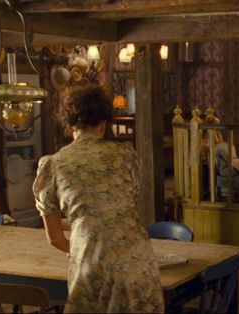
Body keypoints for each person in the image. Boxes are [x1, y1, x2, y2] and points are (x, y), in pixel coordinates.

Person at [33, 85, 164, 313]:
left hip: (91, 259)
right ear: (104, 123)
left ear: (70, 124)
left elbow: (55, 238)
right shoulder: (126, 156)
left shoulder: (53, 165)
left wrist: (80, 244)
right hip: (139, 259)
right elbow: (121, 207)